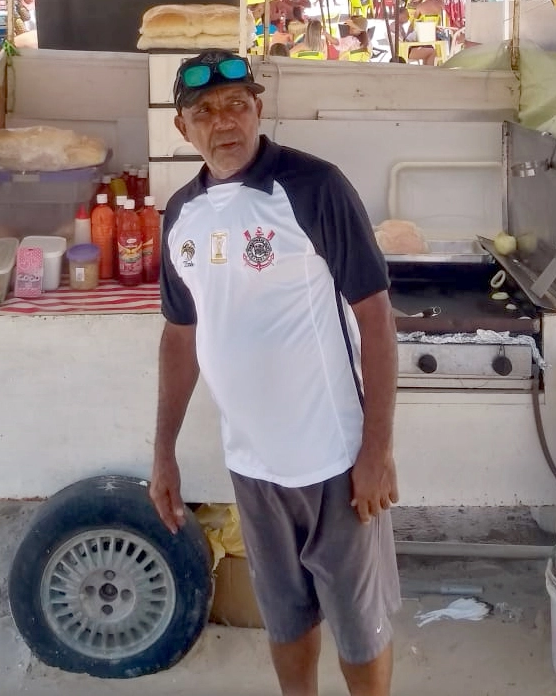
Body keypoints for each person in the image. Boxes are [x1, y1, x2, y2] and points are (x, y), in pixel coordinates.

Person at [150, 48, 401, 696]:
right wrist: (163, 455)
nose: (222, 121)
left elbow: (375, 318)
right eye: (203, 111)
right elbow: (180, 338)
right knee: (285, 621)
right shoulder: (180, 217)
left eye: (236, 104)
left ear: (258, 108)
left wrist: (376, 450)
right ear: (183, 129)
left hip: (334, 463)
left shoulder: (313, 187)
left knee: (360, 628)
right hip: (252, 468)